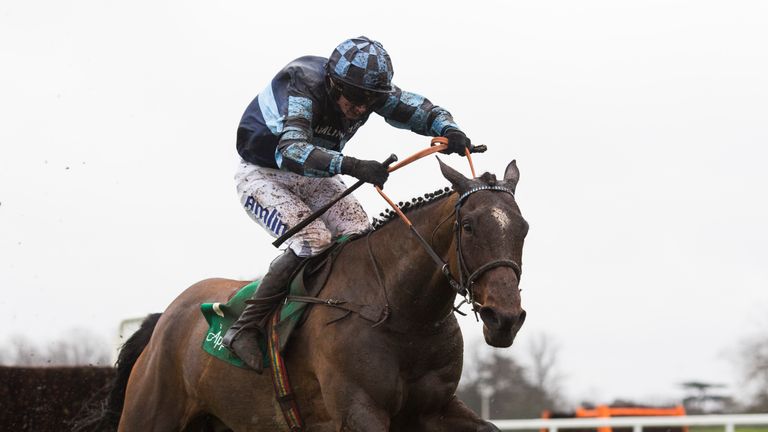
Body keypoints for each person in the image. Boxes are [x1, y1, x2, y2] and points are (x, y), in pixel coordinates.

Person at [224, 36, 472, 372]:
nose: (360, 108)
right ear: (332, 82)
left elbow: (416, 108)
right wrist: (352, 165)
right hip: (264, 175)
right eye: (354, 98)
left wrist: (449, 128)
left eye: (369, 101)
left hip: (314, 174)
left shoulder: (364, 91)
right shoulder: (302, 85)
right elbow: (291, 151)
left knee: (358, 232)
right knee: (313, 239)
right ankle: (245, 327)